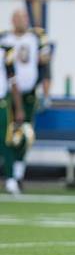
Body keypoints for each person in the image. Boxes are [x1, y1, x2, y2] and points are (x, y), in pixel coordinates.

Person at [0, 9, 52, 193]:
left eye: (24, 17)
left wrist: (46, 93)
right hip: (7, 94)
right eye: (18, 17)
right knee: (7, 135)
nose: (21, 21)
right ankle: (11, 174)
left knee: (25, 134)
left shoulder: (36, 38)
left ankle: (18, 174)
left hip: (28, 93)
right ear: (12, 20)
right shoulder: (4, 39)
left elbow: (45, 65)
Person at [0, 41, 22, 193]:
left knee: (6, 140)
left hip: (1, 103)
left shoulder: (5, 51)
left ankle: (10, 179)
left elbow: (13, 80)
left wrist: (19, 107)